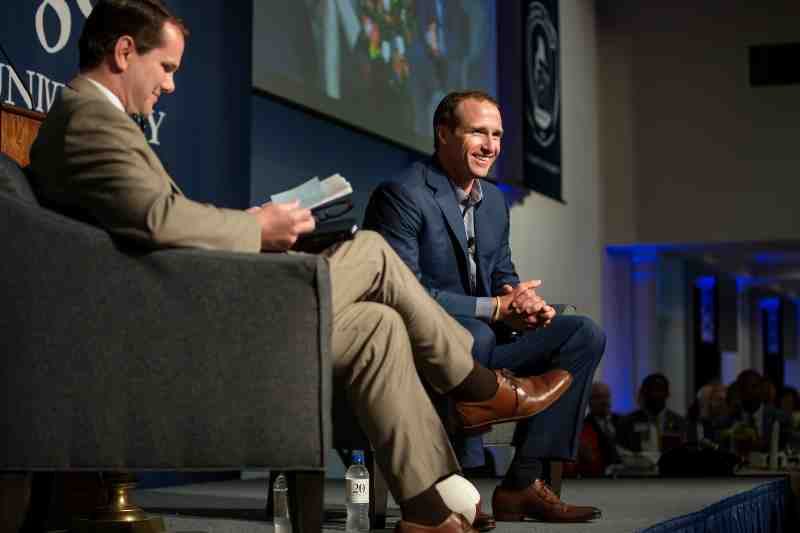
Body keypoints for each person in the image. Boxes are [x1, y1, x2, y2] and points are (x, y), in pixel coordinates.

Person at [26, 3, 574, 532]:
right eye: (166, 67)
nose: (169, 84)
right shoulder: (90, 119)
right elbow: (157, 218)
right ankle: (477, 387)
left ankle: (426, 508)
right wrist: (258, 229)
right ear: (125, 52)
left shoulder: (94, 120)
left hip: (191, 306)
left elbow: (151, 222)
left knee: (378, 330)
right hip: (182, 329)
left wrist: (247, 224)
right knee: (375, 254)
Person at [363, 90, 605, 523]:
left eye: (497, 135)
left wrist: (522, 302)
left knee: (583, 333)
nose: (490, 146)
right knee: (472, 334)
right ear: (443, 134)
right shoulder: (402, 194)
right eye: (478, 132)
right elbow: (402, 291)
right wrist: (494, 308)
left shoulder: (492, 200)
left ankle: (522, 484)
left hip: (489, 343)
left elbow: (501, 272)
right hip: (422, 349)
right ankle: (454, 486)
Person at [617, 374, 687, 453]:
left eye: (660, 389)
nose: (656, 394)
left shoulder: (680, 422)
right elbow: (622, 453)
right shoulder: (627, 422)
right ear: (643, 393)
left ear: (667, 394)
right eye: (651, 390)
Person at [564, 382, 622, 477]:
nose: (604, 401)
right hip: (597, 479)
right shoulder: (582, 428)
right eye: (598, 397)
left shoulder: (623, 421)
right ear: (588, 400)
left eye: (606, 396)